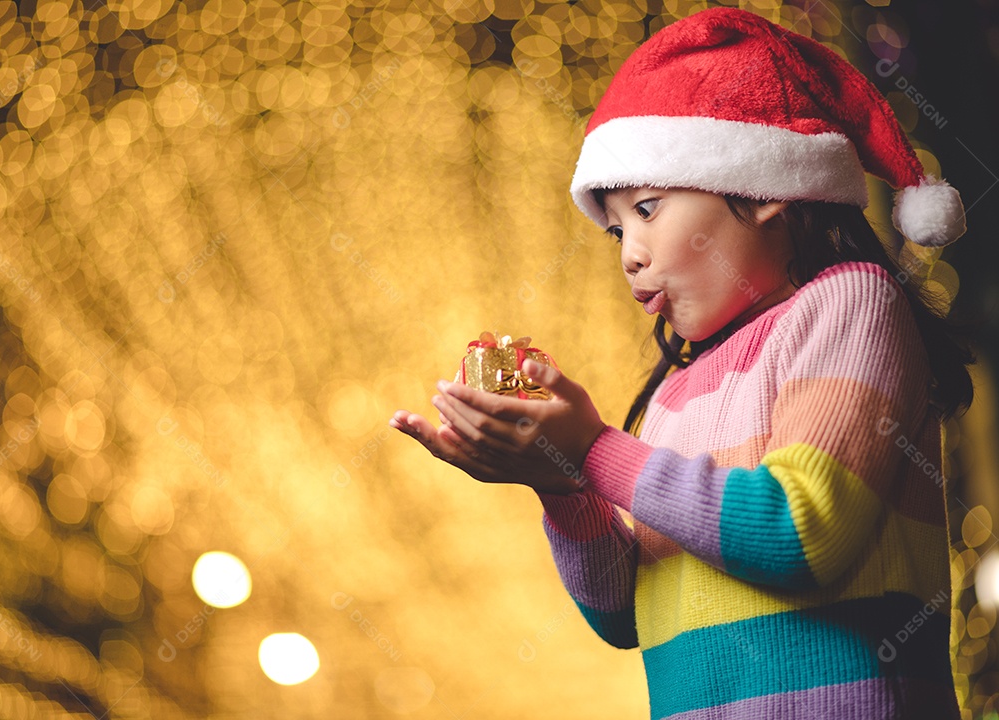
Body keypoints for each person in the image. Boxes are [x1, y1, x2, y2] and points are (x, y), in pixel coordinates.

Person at [389, 7, 975, 719]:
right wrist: (563, 481)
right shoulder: (674, 389)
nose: (629, 252)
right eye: (615, 229)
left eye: (649, 206)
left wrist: (596, 448)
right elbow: (627, 617)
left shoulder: (850, 303)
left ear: (763, 189)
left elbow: (800, 533)